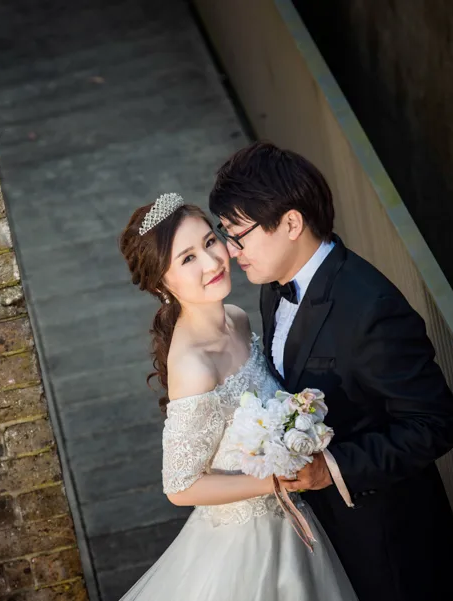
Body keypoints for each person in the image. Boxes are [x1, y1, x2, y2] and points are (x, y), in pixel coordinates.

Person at [209, 141, 453, 601]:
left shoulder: (372, 308)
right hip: (320, 539)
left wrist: (330, 469)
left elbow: (434, 424)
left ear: (291, 223)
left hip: (390, 546)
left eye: (239, 234)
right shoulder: (273, 287)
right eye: (226, 233)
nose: (232, 251)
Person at [116, 193, 357, 601]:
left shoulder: (237, 319)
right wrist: (273, 481)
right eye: (187, 259)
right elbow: (180, 486)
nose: (212, 262)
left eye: (210, 242)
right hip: (248, 546)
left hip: (294, 524)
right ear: (161, 284)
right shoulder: (194, 365)